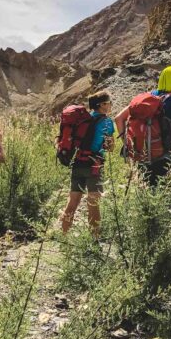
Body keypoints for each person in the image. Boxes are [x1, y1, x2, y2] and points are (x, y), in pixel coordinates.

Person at [115, 66, 171, 187]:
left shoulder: (147, 98)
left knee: (146, 198)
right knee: (167, 198)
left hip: (142, 157)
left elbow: (118, 118)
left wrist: (128, 145)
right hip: (166, 158)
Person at [60, 90, 115, 238]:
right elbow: (109, 146)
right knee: (93, 203)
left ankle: (63, 236)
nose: (110, 105)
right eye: (109, 103)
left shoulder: (84, 119)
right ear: (101, 105)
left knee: (72, 202)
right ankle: (95, 240)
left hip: (77, 164)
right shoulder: (107, 121)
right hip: (94, 166)